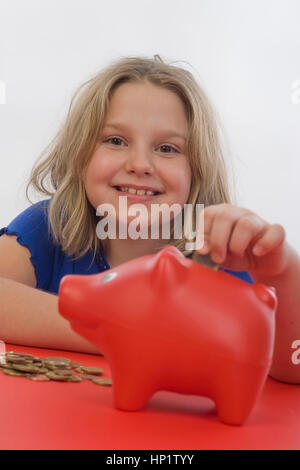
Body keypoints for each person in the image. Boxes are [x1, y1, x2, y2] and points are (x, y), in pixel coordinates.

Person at [0, 55, 299, 384]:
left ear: (197, 171)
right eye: (115, 141)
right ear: (79, 155)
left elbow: (292, 368)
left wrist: (284, 272)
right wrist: (119, 332)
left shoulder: (221, 255)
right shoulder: (49, 225)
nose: (140, 164)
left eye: (168, 148)